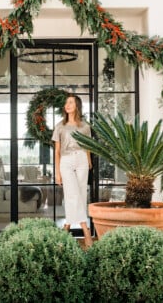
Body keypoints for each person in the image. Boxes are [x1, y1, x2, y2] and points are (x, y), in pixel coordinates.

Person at [52, 94, 93, 246]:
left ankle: (67, 228)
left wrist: (88, 161)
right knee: (72, 193)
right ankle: (86, 231)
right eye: (66, 103)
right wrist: (57, 172)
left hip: (82, 159)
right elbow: (56, 151)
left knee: (81, 193)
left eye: (70, 102)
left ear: (77, 105)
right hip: (66, 160)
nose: (67, 105)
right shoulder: (60, 126)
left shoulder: (85, 126)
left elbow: (88, 145)